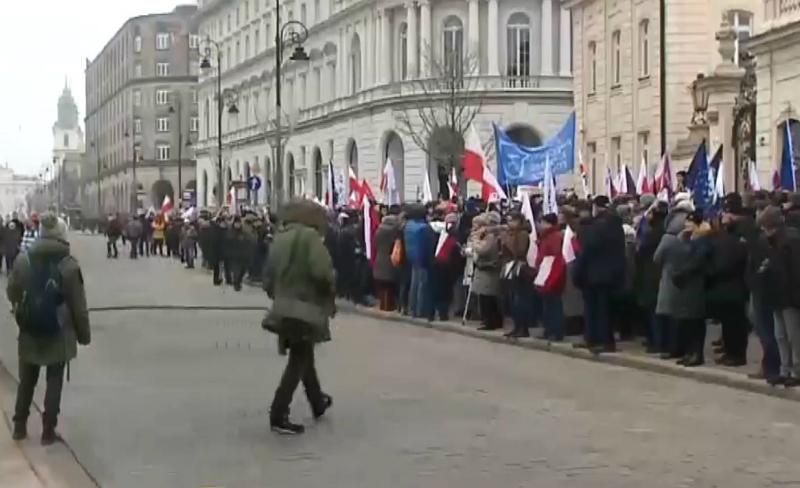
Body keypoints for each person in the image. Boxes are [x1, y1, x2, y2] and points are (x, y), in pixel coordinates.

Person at [6, 213, 91, 444]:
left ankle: (19, 426)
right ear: (62, 234)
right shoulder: (69, 265)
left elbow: (12, 291)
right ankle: (48, 431)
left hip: (30, 328)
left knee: (27, 380)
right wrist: (83, 335)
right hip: (59, 331)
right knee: (54, 381)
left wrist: (22, 308)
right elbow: (78, 306)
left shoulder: (23, 260)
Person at [262, 199, 335, 435]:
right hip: (305, 305)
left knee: (304, 354)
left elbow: (267, 276)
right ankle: (278, 412)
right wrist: (330, 289)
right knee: (299, 358)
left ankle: (317, 401)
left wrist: (278, 294)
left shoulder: (279, 237)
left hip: (283, 305)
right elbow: (322, 272)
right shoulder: (310, 238)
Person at [574, 196, 626, 353]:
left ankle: (598, 340)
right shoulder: (616, 225)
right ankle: (601, 339)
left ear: (596, 207)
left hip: (595, 273)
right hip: (612, 273)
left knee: (596, 310)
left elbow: (587, 250)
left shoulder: (597, 226)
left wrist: (578, 272)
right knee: (605, 309)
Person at [758, 205, 800, 386]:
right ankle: (785, 369)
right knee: (780, 335)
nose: (764, 230)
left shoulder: (791, 241)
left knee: (793, 336)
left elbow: (795, 271)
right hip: (776, 296)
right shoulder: (772, 242)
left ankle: (796, 371)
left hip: (789, 296)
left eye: (765, 227)